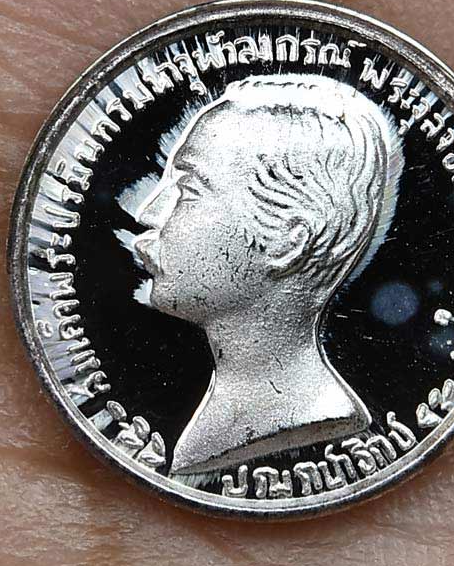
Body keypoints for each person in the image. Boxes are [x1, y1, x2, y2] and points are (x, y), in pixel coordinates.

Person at [134, 73, 403, 475]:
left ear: (287, 242)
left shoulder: (310, 415)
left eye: (188, 189)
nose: (148, 213)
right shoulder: (220, 414)